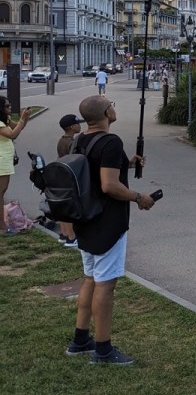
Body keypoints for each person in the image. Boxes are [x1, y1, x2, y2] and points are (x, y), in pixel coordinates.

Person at [68, 95, 154, 365]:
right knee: (106, 284)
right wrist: (139, 197)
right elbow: (109, 186)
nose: (113, 107)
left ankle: (80, 340)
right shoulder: (110, 141)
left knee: (91, 278)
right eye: (112, 104)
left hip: (85, 219)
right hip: (107, 222)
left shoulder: (80, 139)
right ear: (107, 111)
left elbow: (91, 170)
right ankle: (103, 350)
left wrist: (125, 163)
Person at [0, 96, 31, 235]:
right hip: (1, 160)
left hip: (5, 159)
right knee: (0, 192)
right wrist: (22, 120)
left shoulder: (4, 120)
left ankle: (2, 224)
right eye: (7, 106)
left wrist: (25, 118)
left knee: (2, 192)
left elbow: (17, 129)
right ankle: (2, 226)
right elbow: (12, 134)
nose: (10, 108)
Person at [55, 114, 87, 249]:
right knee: (70, 208)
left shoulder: (62, 140)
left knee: (63, 208)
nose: (80, 125)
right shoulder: (72, 142)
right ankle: (71, 237)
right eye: (78, 124)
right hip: (69, 176)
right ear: (72, 127)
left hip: (60, 174)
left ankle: (63, 234)